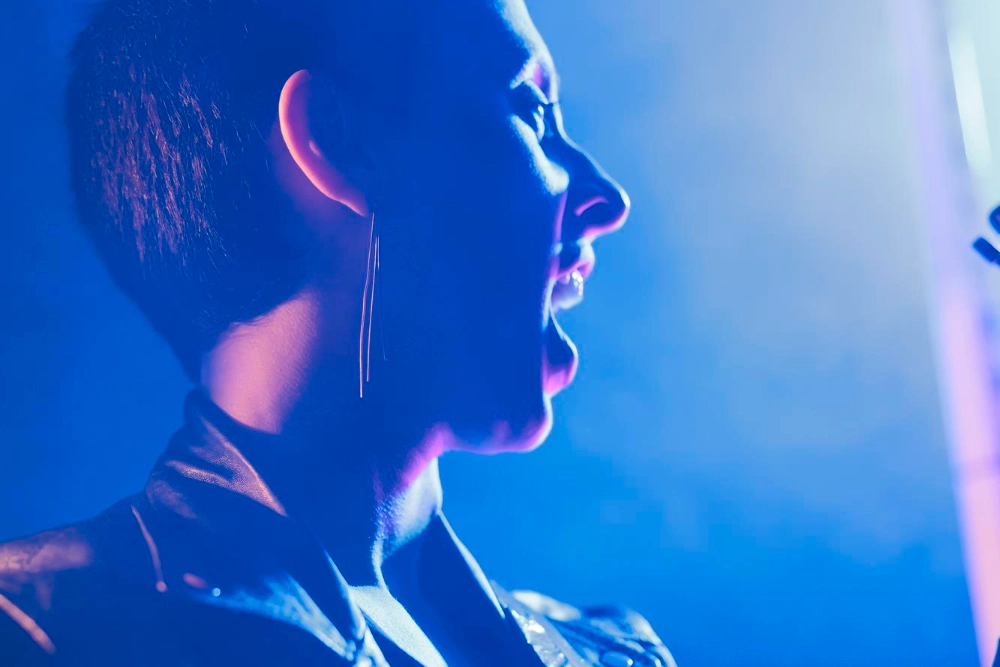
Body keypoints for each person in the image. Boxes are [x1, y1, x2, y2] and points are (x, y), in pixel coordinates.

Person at [0, 0, 675, 664]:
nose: (609, 198)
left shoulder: (612, 650)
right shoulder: (45, 628)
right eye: (532, 110)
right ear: (337, 139)